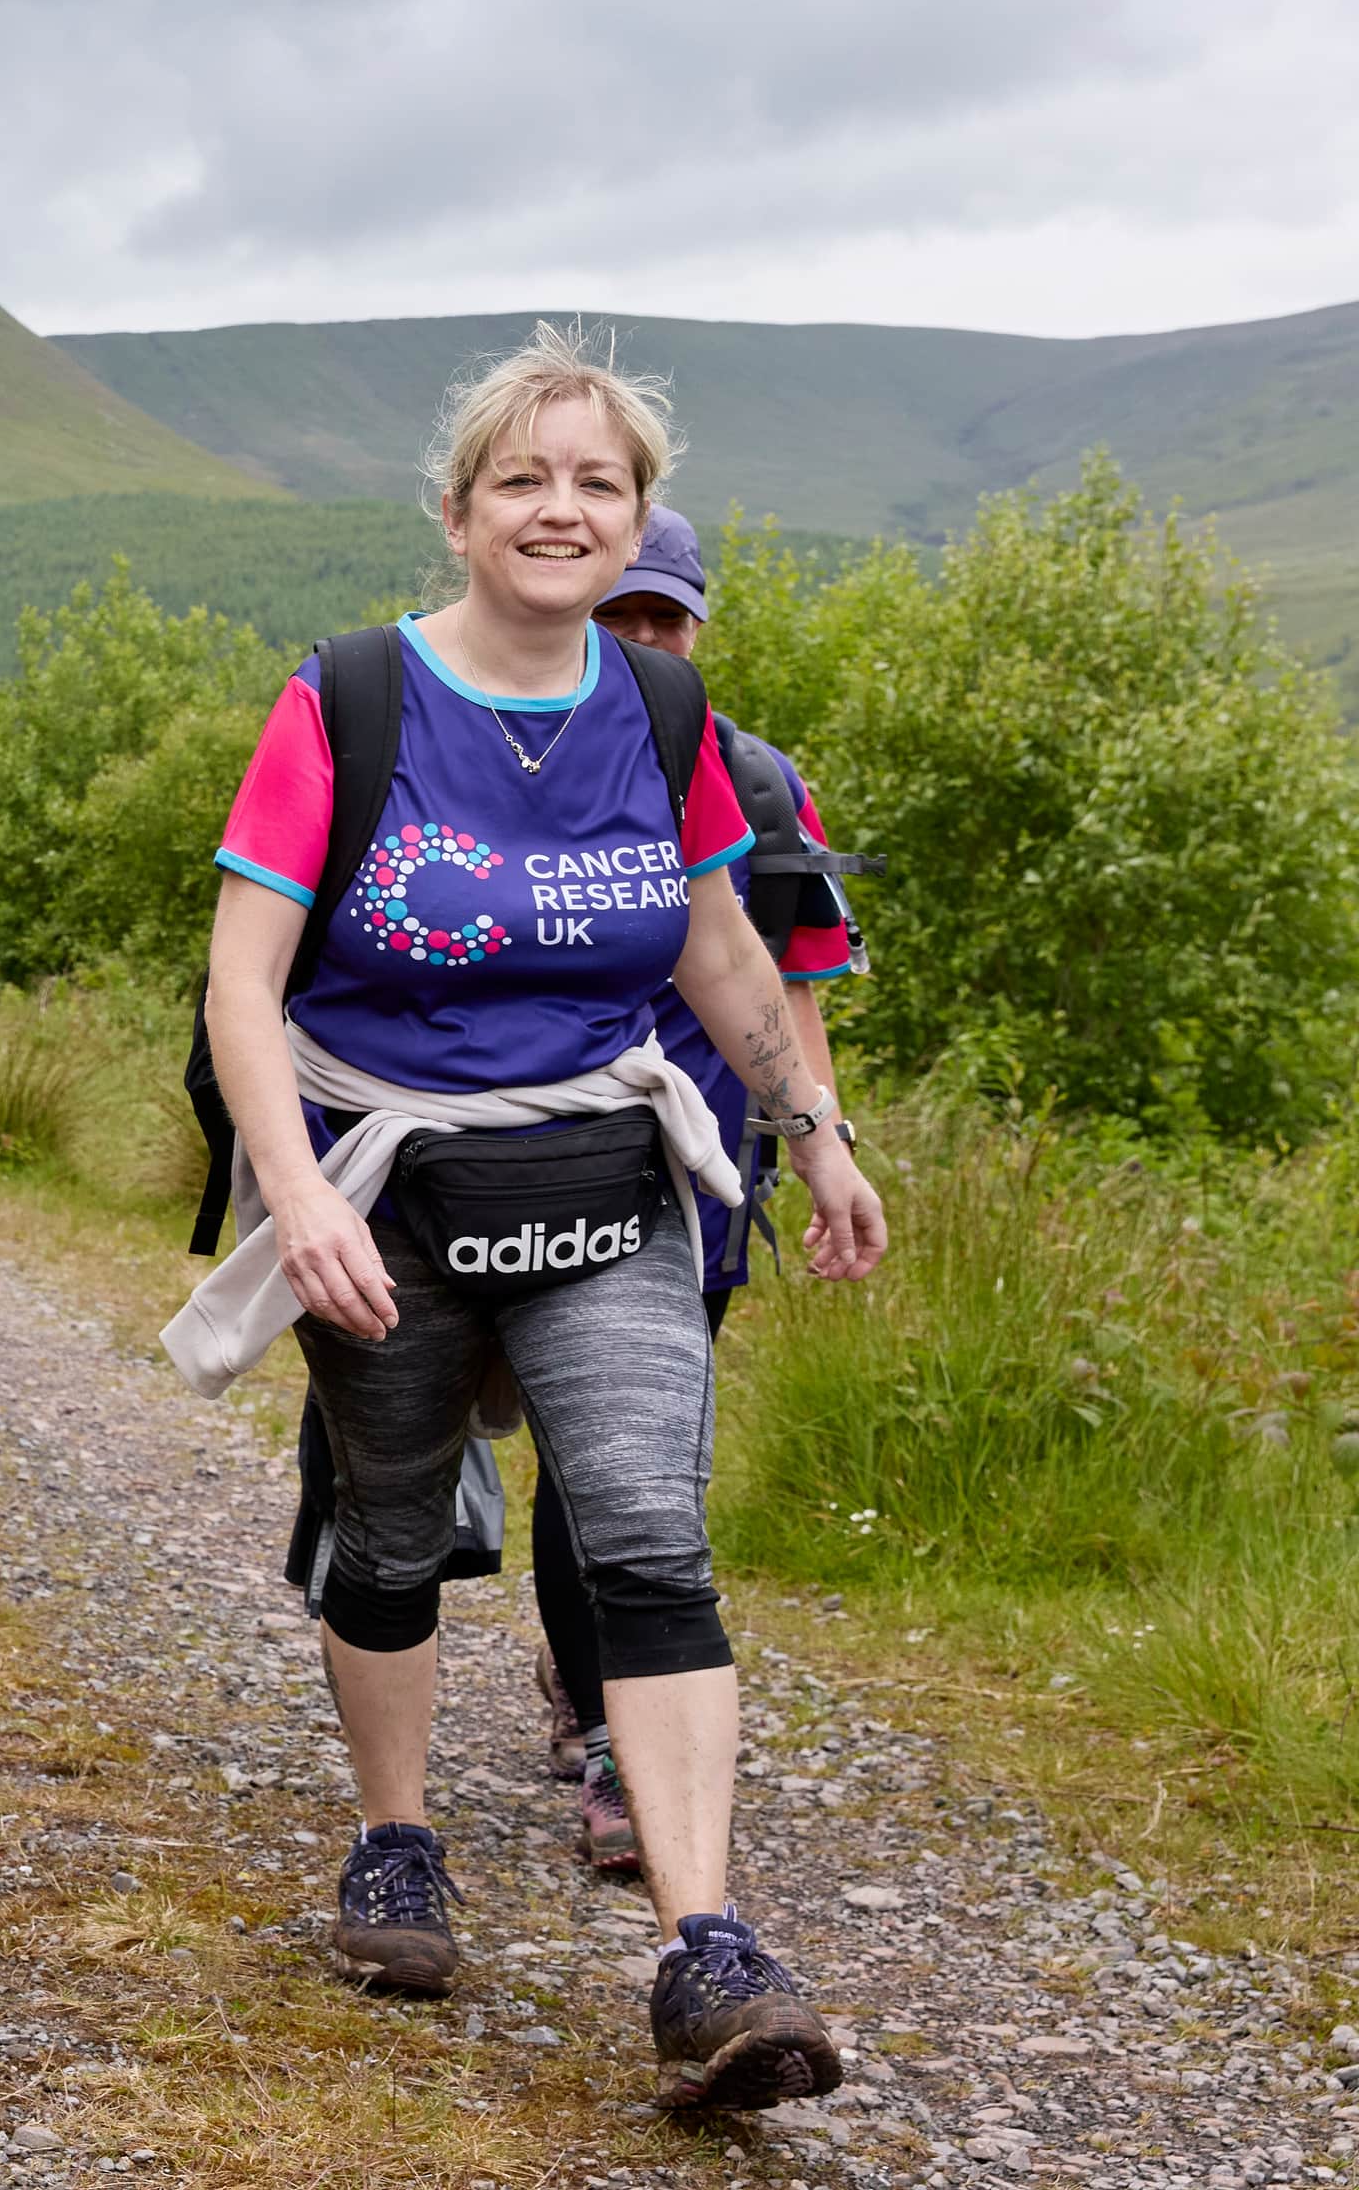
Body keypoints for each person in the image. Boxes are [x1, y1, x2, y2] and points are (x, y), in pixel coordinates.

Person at [164, 325, 888, 2113]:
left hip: (604, 1182)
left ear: (638, 518)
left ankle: (708, 1950)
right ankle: (396, 1843)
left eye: (598, 484)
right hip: (389, 1189)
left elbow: (720, 947)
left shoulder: (662, 713)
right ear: (460, 509)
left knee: (647, 1536)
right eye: (524, 480)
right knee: (392, 1529)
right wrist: (294, 1195)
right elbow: (244, 981)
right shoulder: (350, 699)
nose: (562, 510)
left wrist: (814, 1137)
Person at [538, 504, 869, 1876]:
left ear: (696, 629)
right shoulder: (499, 756)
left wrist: (824, 1143)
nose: (640, 638)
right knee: (575, 1458)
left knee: (640, 1456)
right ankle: (593, 1695)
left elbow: (791, 988)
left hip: (701, 1177)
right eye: (617, 611)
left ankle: (610, 1735)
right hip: (527, 1159)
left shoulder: (757, 782)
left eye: (663, 617)